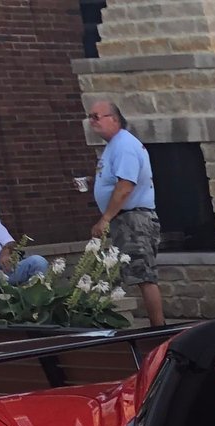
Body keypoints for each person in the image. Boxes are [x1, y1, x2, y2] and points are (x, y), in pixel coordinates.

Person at [86, 99, 163, 326]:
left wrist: (105, 218)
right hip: (125, 219)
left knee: (144, 275)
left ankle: (159, 331)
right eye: (90, 117)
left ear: (115, 119)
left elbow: (125, 185)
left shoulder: (124, 145)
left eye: (96, 116)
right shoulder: (114, 146)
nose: (92, 121)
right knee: (134, 275)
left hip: (133, 219)